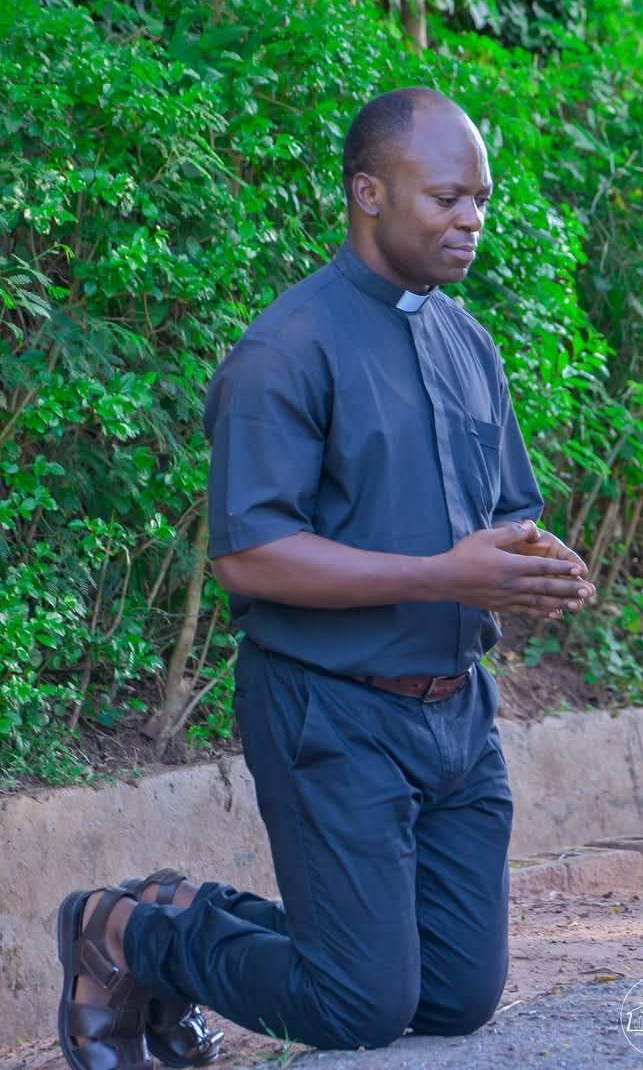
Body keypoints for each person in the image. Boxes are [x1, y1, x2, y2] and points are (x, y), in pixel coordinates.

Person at [57, 87, 596, 1070]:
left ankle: (181, 908)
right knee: (361, 1005)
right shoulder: (287, 348)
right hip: (330, 710)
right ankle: (123, 933)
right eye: (446, 198)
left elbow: (506, 515)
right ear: (368, 194)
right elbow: (250, 553)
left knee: (456, 996)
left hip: (458, 718)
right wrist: (442, 574)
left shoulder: (468, 342)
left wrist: (536, 570)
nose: (471, 220)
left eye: (481, 199)